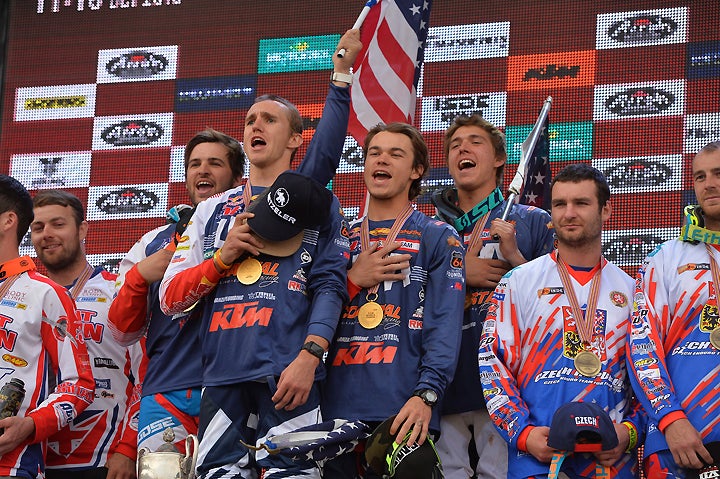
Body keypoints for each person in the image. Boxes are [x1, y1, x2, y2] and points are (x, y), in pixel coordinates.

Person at [158, 30, 362, 479]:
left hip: (290, 376)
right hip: (223, 378)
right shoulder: (211, 209)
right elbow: (170, 300)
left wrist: (311, 356)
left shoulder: (317, 204)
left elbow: (330, 285)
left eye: (269, 119)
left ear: (294, 139)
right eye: (250, 119)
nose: (255, 126)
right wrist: (221, 257)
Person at [478, 164, 642, 478]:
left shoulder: (633, 291)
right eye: (559, 204)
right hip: (536, 458)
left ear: (606, 210)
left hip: (608, 462)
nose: (568, 213)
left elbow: (649, 377)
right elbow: (492, 363)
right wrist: (523, 434)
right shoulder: (518, 281)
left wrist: (628, 433)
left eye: (581, 203)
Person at [321, 122, 465, 478]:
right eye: (374, 153)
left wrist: (427, 395)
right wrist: (353, 279)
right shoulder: (339, 236)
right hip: (331, 412)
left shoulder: (437, 236)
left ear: (416, 171)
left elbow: (445, 326)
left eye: (395, 154)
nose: (381, 160)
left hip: (403, 412)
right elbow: (304, 317)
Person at [107, 127, 245, 455]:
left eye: (215, 163)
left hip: (237, 384)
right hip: (168, 390)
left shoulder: (252, 231)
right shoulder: (153, 241)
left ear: (239, 177)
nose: (203, 170)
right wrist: (140, 276)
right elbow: (120, 332)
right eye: (195, 164)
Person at [433, 114, 555, 479]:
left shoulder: (532, 219)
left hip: (506, 386)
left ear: (500, 159)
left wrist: (517, 259)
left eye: (475, 142)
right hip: (443, 385)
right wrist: (458, 271)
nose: (463, 149)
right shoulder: (432, 230)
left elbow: (558, 300)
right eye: (455, 145)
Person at [30, 189, 142, 479]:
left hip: (105, 458)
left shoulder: (118, 290)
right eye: (38, 227)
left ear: (82, 229)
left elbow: (148, 374)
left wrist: (128, 449)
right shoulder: (25, 298)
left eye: (58, 224)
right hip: (33, 458)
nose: (47, 234)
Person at [627, 141, 720, 478]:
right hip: (679, 441)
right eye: (700, 176)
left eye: (718, 174)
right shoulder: (665, 258)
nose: (708, 183)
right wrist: (670, 417)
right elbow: (642, 345)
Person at [0, 175, 95, 478]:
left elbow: (80, 384)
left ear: (8, 220)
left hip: (12, 464)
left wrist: (29, 426)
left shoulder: (43, 293)